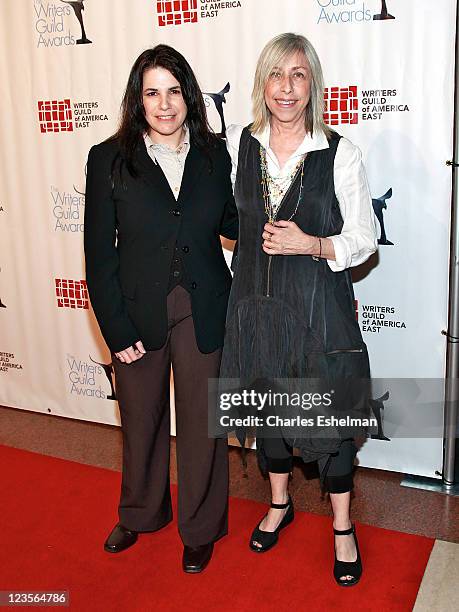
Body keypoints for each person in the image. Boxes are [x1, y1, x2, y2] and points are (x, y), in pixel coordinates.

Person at [221, 33, 377, 586]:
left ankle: (341, 526)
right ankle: (280, 503)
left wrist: (312, 243)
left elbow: (365, 236)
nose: (286, 88)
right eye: (275, 75)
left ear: (312, 84)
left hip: (318, 313)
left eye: (298, 75)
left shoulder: (338, 151)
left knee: (330, 424)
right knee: (269, 415)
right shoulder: (242, 144)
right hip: (256, 308)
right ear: (262, 83)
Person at [84, 44, 238, 573]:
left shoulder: (216, 154)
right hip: (136, 308)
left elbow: (234, 225)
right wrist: (113, 326)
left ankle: (200, 527)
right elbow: (98, 253)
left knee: (202, 423)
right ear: (138, 99)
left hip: (203, 305)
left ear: (188, 95)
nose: (164, 104)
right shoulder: (108, 158)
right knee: (142, 419)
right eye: (152, 93)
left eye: (173, 91)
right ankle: (141, 512)